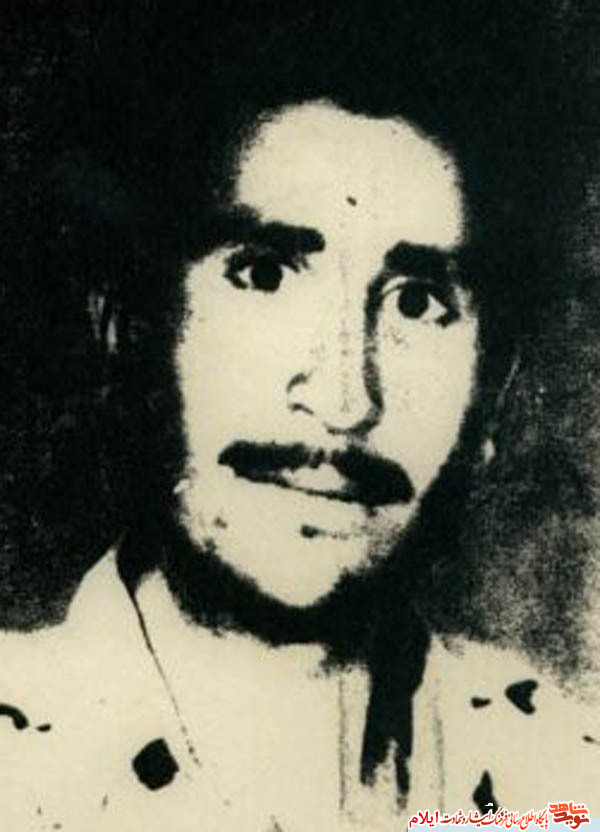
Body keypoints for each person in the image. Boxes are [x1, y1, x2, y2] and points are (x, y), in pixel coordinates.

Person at [2, 2, 599, 829]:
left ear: (493, 390)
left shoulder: (568, 776)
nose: (346, 401)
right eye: (266, 276)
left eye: (416, 303)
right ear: (129, 329)